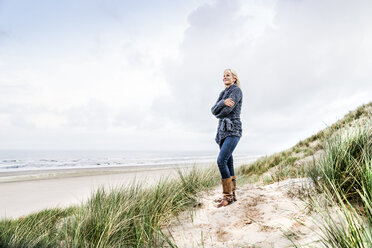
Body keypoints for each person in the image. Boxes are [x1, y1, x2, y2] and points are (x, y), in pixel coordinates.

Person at [211, 68, 243, 208]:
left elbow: (227, 111)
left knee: (221, 160)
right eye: (223, 76)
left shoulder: (236, 91)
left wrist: (221, 108)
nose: (225, 77)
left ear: (234, 78)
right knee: (228, 162)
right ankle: (232, 195)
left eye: (228, 75)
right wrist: (223, 102)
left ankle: (227, 196)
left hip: (233, 129)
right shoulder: (223, 94)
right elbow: (214, 111)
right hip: (222, 131)